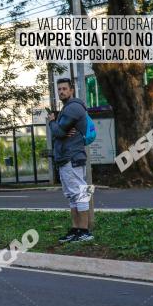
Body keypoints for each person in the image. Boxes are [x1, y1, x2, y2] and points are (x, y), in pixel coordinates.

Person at [48, 78, 93, 243]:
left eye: (64, 89)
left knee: (79, 194)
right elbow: (61, 132)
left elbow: (59, 133)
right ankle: (76, 229)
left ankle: (85, 231)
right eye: (59, 89)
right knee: (72, 196)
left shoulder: (73, 107)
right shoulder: (66, 108)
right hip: (66, 158)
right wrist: (58, 127)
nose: (61, 92)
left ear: (71, 90)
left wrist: (52, 121)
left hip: (72, 157)